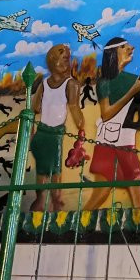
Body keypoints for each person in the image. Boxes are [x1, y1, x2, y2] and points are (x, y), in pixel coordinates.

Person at [83, 37, 140, 210]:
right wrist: (132, 91)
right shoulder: (104, 82)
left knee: (133, 181)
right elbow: (106, 113)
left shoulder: (130, 78)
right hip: (108, 141)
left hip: (125, 140)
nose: (131, 48)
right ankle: (81, 223)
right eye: (125, 47)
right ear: (114, 53)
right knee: (105, 190)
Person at [29, 43, 85, 211]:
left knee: (45, 169)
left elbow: (35, 108)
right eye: (65, 60)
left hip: (45, 132)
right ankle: (53, 200)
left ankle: (46, 200)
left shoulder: (59, 83)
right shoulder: (66, 84)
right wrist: (81, 125)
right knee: (54, 170)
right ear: (53, 61)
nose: (67, 64)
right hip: (50, 134)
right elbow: (74, 107)